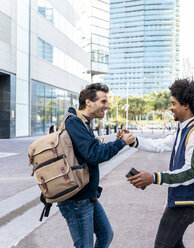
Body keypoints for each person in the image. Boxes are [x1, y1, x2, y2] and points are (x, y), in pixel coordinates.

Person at [118, 78, 194, 248]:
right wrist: (132, 140)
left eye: (174, 103)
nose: (171, 107)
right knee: (174, 245)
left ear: (186, 106)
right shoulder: (185, 129)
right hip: (179, 200)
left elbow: (191, 172)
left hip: (186, 203)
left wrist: (153, 177)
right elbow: (159, 144)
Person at [59, 83, 135, 248]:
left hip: (88, 196)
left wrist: (117, 141)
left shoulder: (83, 123)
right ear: (88, 102)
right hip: (76, 200)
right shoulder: (74, 123)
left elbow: (91, 151)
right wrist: (121, 143)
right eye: (103, 101)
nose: (106, 106)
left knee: (105, 234)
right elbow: (94, 155)